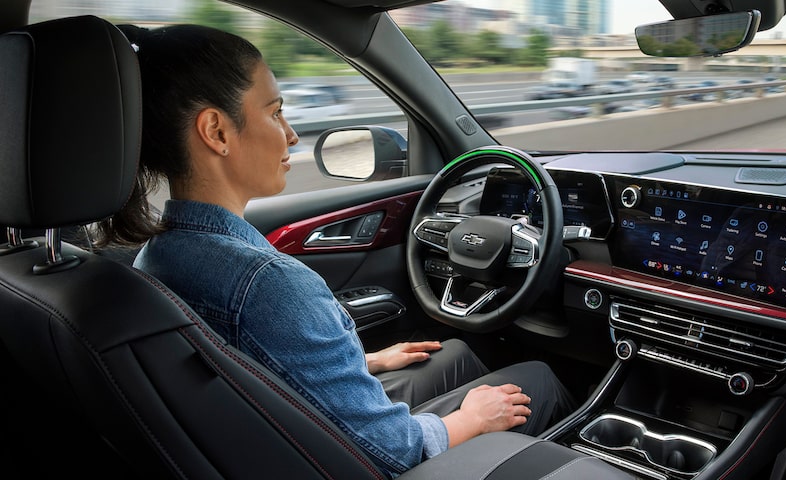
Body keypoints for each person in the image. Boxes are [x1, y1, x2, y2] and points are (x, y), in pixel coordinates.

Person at [94, 24, 576, 477]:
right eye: (275, 111)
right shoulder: (268, 283)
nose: (291, 134)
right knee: (537, 379)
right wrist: (472, 420)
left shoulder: (156, 255)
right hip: (354, 461)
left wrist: (360, 363)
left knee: (452, 355)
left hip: (272, 445)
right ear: (217, 132)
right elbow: (395, 448)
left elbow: (240, 374)